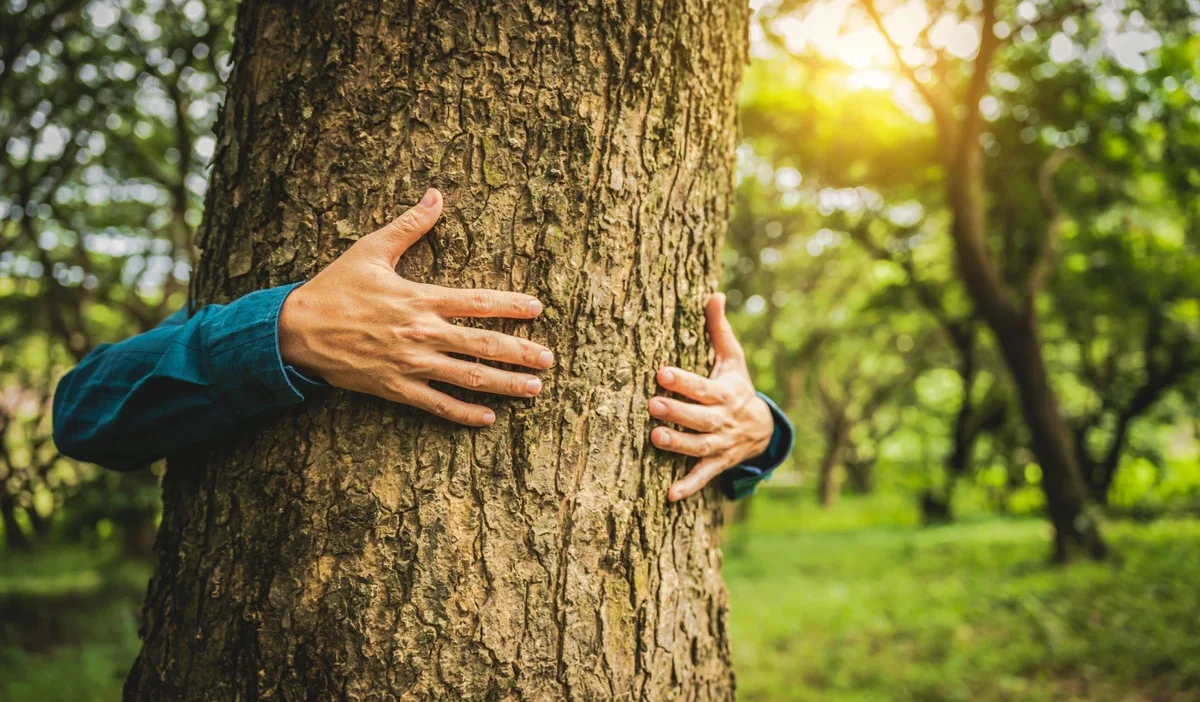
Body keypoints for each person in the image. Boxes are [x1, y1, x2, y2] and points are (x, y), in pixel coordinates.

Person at [52, 189, 793, 502]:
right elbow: (82, 414)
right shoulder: (224, 292)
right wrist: (284, 331)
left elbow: (719, 446)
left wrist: (760, 427)